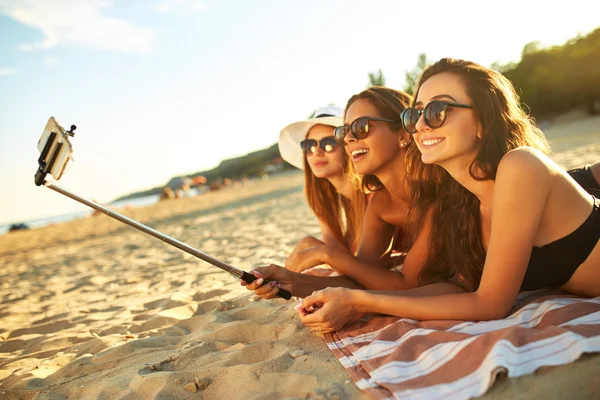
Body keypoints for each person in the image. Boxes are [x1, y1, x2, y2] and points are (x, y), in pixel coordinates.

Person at [297, 58, 600, 333]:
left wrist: (361, 302)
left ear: (482, 120)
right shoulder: (462, 200)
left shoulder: (520, 165)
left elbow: (490, 304)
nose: (420, 125)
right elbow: (459, 289)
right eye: (415, 114)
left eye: (437, 111)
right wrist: (350, 297)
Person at [243, 88, 456, 298]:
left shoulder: (436, 191)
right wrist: (290, 281)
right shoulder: (381, 203)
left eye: (361, 127)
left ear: (402, 133)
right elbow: (361, 277)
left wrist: (326, 253)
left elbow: (407, 285)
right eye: (344, 132)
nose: (348, 139)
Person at [278, 106, 367, 275]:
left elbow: (364, 268)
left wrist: (319, 255)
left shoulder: (371, 195)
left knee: (308, 245)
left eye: (328, 144)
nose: (316, 152)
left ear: (348, 147)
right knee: (306, 244)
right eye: (309, 145)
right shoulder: (328, 199)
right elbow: (339, 256)